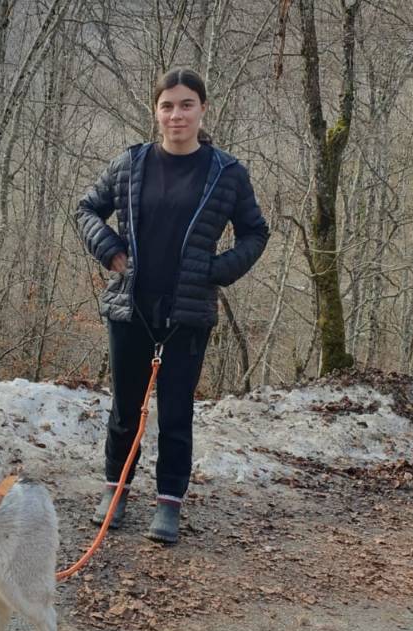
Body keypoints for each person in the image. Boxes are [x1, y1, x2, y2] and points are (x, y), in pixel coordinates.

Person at [74, 67, 269, 544]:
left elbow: (255, 232)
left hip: (188, 313)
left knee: (177, 412)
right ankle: (116, 490)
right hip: (131, 308)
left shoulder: (226, 172)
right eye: (167, 106)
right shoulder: (130, 163)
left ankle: (169, 502)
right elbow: (86, 208)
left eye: (186, 105)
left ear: (202, 109)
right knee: (126, 409)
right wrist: (109, 249)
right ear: (155, 112)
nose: (176, 115)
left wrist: (217, 271)